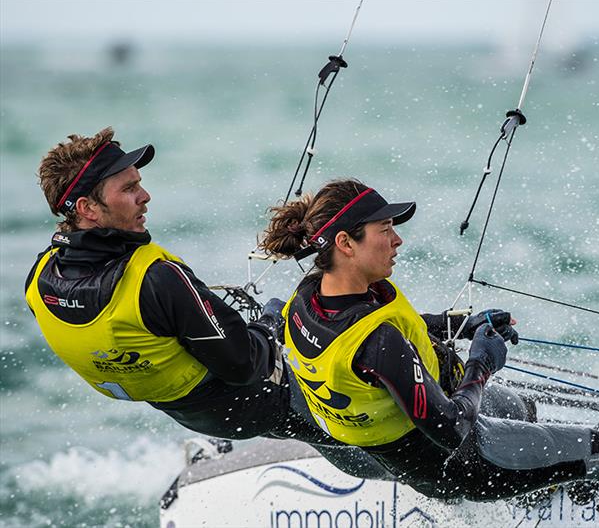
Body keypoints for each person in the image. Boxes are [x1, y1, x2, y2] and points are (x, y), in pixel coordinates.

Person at [261, 178, 599, 501]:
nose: (397, 238)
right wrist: (481, 365)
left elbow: (401, 327)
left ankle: (554, 469)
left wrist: (463, 323)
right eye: (384, 231)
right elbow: (451, 429)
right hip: (463, 464)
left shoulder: (311, 297)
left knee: (522, 407)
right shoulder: (375, 345)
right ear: (345, 244)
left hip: (397, 443)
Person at [24, 128, 408, 479]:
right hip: (256, 398)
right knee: (355, 419)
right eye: (128, 189)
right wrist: (271, 325)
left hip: (197, 414)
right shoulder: (155, 279)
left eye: (140, 184)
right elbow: (243, 365)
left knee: (313, 425)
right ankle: (414, 477)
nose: (145, 196)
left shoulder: (40, 278)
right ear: (88, 209)